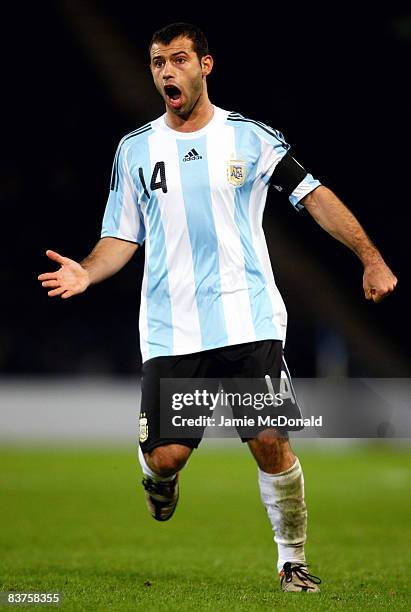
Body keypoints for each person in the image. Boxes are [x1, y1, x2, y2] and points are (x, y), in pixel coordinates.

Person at [38, 22, 397, 593]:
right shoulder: (135, 150)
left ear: (206, 65)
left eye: (178, 60)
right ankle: (157, 476)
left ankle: (291, 560)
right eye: (157, 63)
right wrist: (87, 268)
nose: (166, 72)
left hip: (248, 317)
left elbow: (315, 197)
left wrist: (370, 257)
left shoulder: (249, 138)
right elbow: (120, 238)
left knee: (272, 442)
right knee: (167, 457)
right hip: (171, 328)